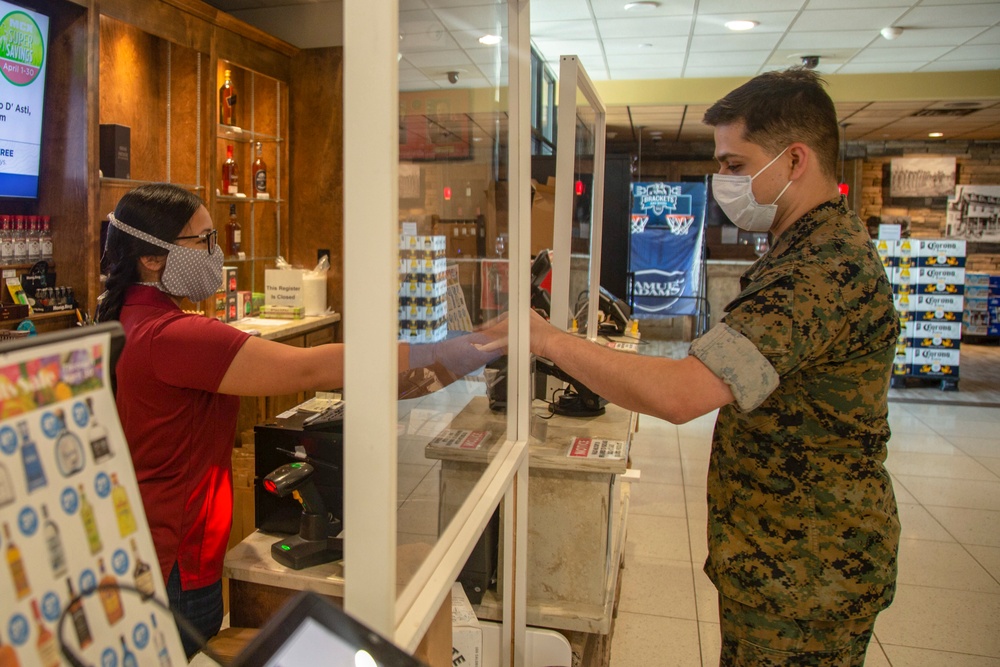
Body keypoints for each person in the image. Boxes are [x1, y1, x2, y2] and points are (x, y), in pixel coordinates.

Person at [530, 68, 900, 666]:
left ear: (795, 160)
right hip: (783, 557)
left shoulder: (820, 269)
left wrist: (549, 342)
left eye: (734, 164)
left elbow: (684, 394)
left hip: (808, 573)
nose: (723, 180)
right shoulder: (806, 249)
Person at [97, 183, 503, 658]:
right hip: (174, 559)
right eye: (203, 241)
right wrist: (443, 349)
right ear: (152, 257)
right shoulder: (175, 337)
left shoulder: (128, 320)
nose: (216, 253)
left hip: (143, 545)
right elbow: (308, 367)